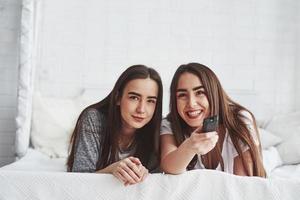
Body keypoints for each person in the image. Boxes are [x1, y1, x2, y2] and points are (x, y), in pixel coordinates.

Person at [160, 63, 265, 177]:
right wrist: (190, 146)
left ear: (214, 93)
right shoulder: (169, 124)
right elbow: (168, 167)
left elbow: (243, 184)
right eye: (182, 95)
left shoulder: (239, 121)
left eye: (200, 92)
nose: (191, 103)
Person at [67, 65, 163, 186]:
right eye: (134, 98)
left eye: (150, 101)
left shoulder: (158, 129)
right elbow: (78, 179)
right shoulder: (93, 118)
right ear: (118, 98)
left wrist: (145, 173)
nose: (141, 109)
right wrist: (112, 170)